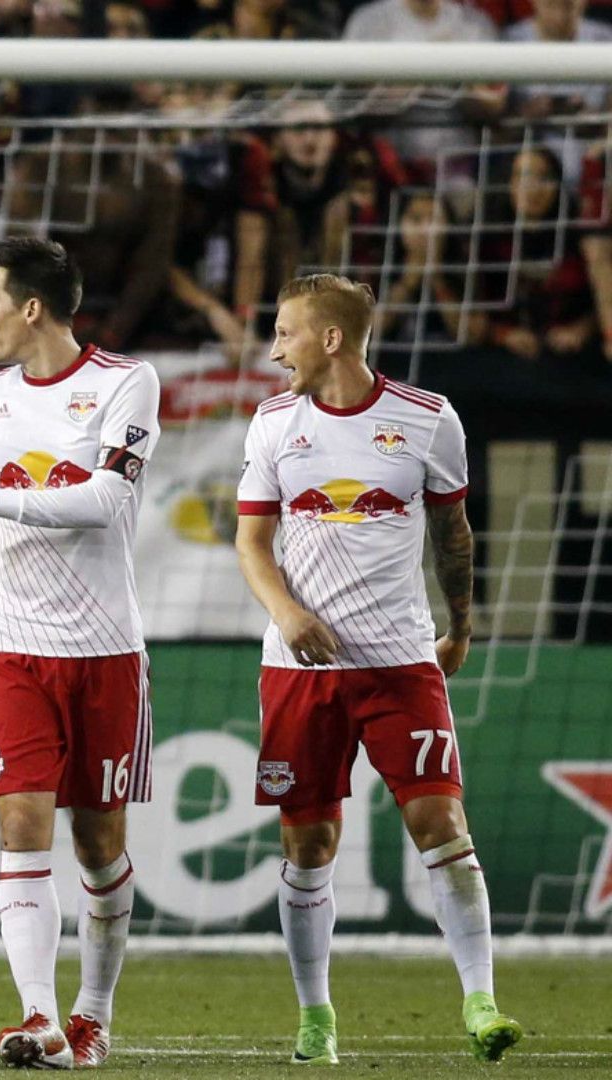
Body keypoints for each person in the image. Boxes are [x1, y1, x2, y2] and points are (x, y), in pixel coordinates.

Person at [234, 274, 523, 1065]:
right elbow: (251, 544)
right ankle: (316, 1017)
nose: (274, 349)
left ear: (331, 339)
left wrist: (459, 627)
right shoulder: (271, 423)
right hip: (300, 671)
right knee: (309, 845)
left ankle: (480, 1001)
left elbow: (453, 536)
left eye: (286, 332)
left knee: (443, 826)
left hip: (400, 663)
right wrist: (288, 615)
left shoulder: (428, 419)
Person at [0, 237, 160, 1069]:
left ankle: (93, 1013)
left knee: (97, 846)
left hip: (104, 649)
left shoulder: (127, 383)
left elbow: (106, 498)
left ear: (30, 307)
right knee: (20, 829)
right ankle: (40, 1019)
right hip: (14, 646)